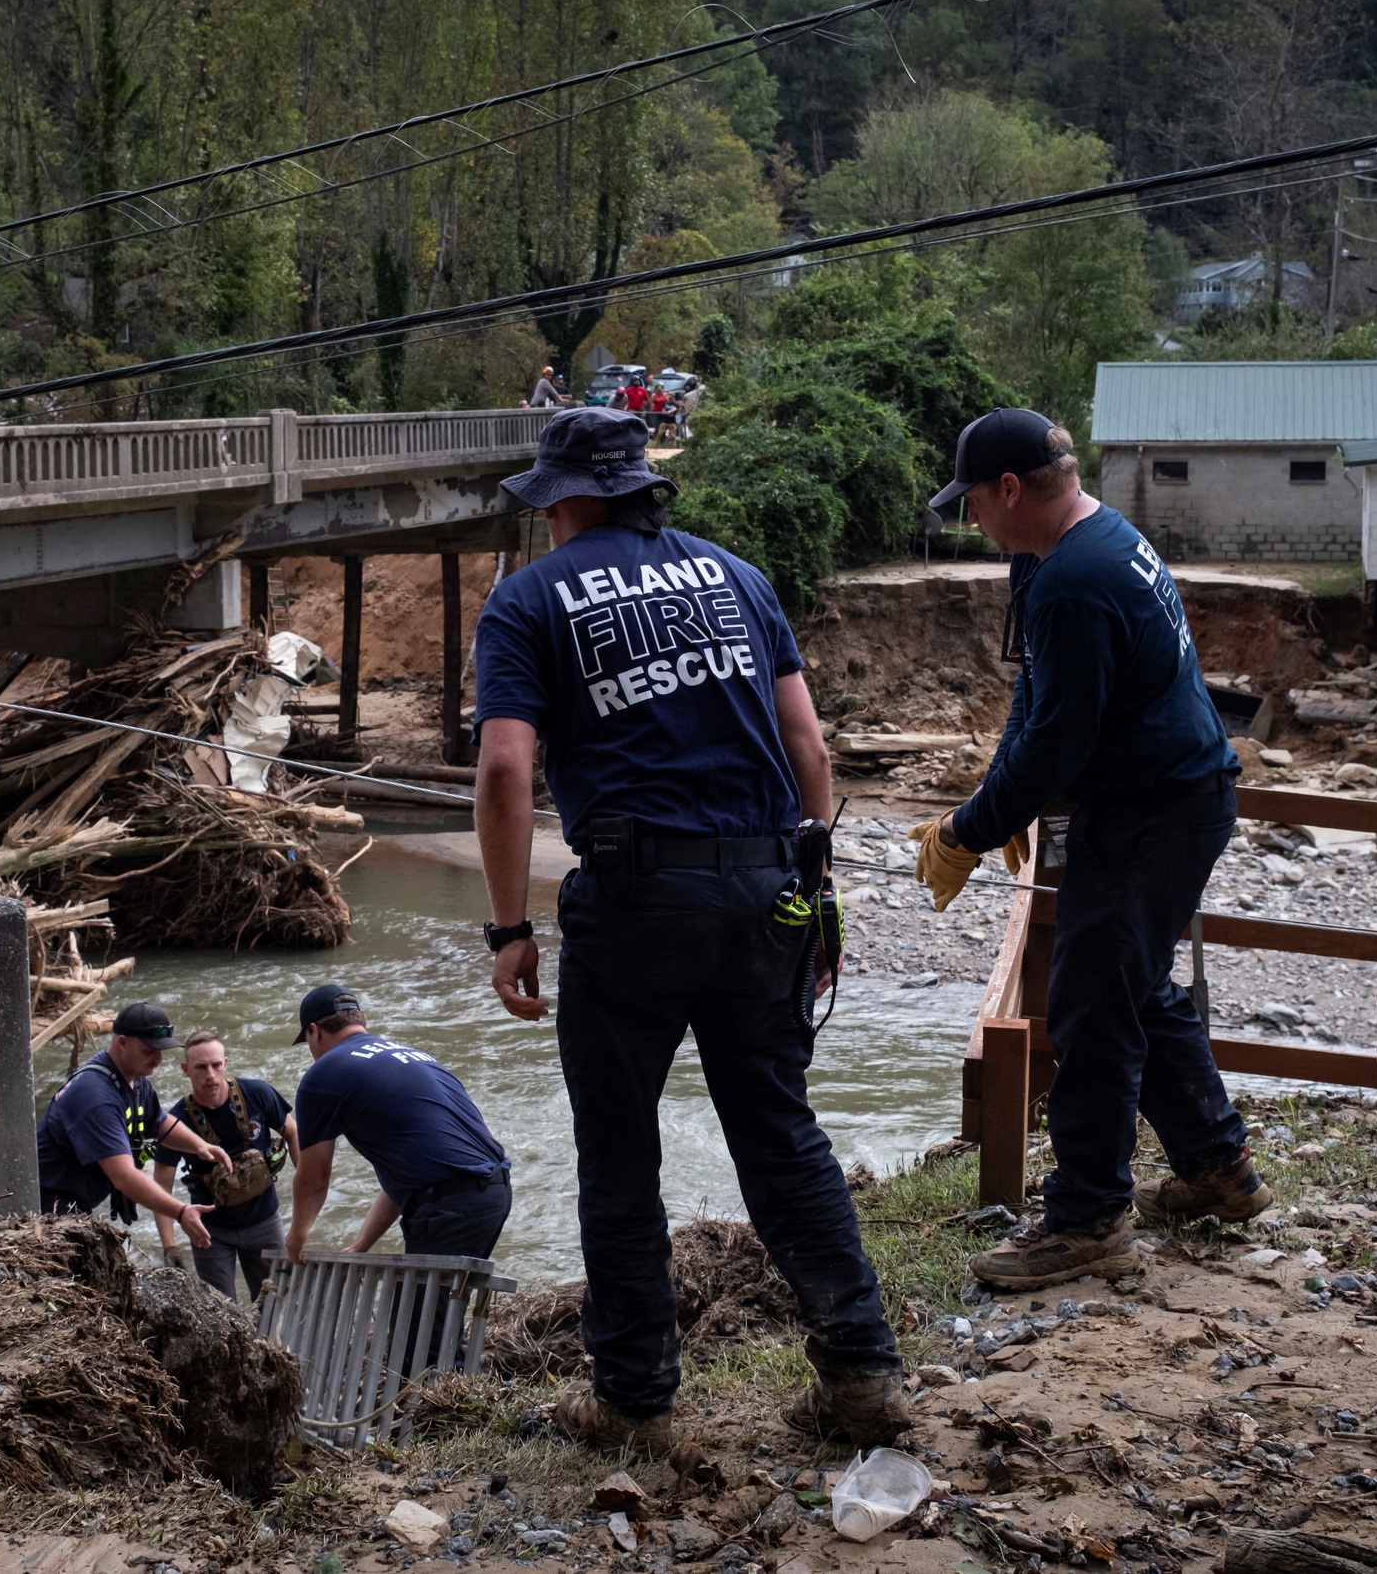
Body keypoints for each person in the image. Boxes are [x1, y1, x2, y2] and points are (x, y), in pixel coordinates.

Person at [470, 405, 909, 1455]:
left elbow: (502, 771)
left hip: (635, 906)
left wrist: (507, 927)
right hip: (768, 892)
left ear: (563, 501)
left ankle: (633, 1397)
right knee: (780, 1132)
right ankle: (862, 1375)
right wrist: (813, 881)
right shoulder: (737, 578)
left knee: (619, 1151)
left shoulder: (528, 601)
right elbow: (807, 746)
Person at [913, 408, 1254, 1292]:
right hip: (1167, 797)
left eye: (974, 503)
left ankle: (1089, 1219)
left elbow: (1059, 741)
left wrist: (967, 829)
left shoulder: (1076, 577)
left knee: (1092, 1008)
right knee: (1134, 986)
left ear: (1012, 488)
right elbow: (1036, 700)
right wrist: (996, 804)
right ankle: (1218, 1168)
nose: (972, 520)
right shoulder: (1069, 550)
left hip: (1156, 812)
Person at [286, 985, 511, 1262]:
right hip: (494, 1191)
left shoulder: (324, 1073)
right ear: (360, 1021)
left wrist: (296, 1238)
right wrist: (361, 1245)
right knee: (439, 1301)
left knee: (419, 1305)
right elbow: (407, 1177)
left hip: (449, 1203)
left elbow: (314, 1178)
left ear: (314, 1031)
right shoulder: (415, 1057)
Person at [38, 1001, 232, 1256]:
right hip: (46, 1202)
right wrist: (181, 1211)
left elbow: (159, 1122)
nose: (158, 1060)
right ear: (122, 1043)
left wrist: (199, 1145)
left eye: (162, 1050)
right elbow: (124, 1176)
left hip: (77, 1197)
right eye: (149, 1050)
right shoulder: (95, 1096)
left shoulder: (136, 1080)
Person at [153, 1027, 298, 1302]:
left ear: (226, 1064)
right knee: (221, 1312)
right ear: (185, 1069)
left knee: (278, 1304)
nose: (210, 1075)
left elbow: (293, 1132)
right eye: (200, 1067)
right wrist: (170, 1247)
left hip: (264, 1221)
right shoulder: (175, 1120)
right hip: (210, 1232)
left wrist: (303, 1195)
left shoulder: (257, 1094)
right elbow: (161, 1186)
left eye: (216, 1065)